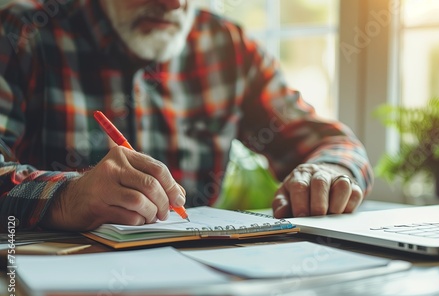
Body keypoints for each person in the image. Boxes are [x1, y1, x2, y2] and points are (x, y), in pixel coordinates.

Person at [0, 0, 374, 232]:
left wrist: (327, 172)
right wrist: (67, 197)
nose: (175, 3)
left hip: (198, 290)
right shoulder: (22, 34)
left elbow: (331, 143)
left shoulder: (227, 47)